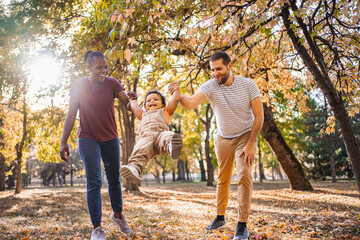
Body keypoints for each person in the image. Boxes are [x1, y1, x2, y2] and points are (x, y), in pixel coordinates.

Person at [169, 51, 263, 240]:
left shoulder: (248, 85)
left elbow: (259, 117)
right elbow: (189, 104)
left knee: (244, 175)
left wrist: (251, 143)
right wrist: (178, 94)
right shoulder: (211, 85)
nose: (215, 73)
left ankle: (242, 225)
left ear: (230, 66)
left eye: (219, 69)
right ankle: (220, 217)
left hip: (245, 136)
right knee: (223, 178)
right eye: (212, 70)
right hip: (223, 138)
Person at [60, 51, 134, 240]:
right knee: (94, 181)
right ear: (89, 67)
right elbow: (71, 114)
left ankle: (118, 216)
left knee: (114, 179)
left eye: (105, 67)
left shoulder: (112, 83)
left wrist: (131, 99)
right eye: (99, 67)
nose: (103, 71)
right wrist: (63, 141)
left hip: (110, 138)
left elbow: (126, 103)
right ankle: (97, 228)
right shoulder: (79, 85)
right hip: (87, 137)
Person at [120, 85, 183, 185]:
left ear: (163, 104)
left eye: (156, 99)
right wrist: (132, 99)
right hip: (146, 140)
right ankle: (135, 169)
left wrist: (176, 91)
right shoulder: (142, 114)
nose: (152, 102)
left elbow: (174, 101)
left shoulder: (165, 111)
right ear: (145, 106)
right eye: (148, 101)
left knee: (169, 135)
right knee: (139, 151)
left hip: (160, 136)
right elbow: (135, 107)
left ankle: (171, 146)